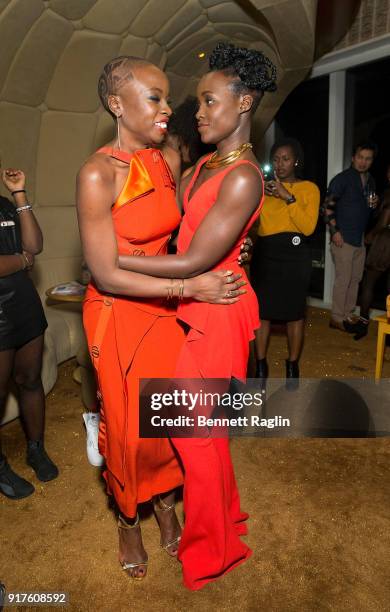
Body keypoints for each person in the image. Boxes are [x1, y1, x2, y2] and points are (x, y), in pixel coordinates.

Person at [77, 55, 247, 582]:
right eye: (155, 97)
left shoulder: (159, 162)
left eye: (168, 98)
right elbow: (105, 274)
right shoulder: (97, 173)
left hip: (164, 309)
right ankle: (129, 518)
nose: (169, 109)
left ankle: (166, 502)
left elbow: (179, 235)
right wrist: (187, 286)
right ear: (116, 104)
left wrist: (226, 253)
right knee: (128, 429)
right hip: (119, 312)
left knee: (165, 420)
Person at [116, 42, 277, 590]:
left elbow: (195, 258)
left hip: (216, 306)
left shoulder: (243, 176)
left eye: (210, 102)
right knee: (204, 432)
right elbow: (189, 231)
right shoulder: (211, 161)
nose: (200, 113)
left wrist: (110, 258)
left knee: (192, 435)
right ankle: (225, 519)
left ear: (246, 101)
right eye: (199, 103)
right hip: (197, 298)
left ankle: (215, 547)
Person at [0, 165, 58, 500]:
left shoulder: (5, 206)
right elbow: (26, 258)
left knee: (30, 379)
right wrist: (22, 260)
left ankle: (36, 449)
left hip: (24, 304)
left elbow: (34, 245)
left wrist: (19, 193)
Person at [250, 138, 320, 390]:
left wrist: (287, 197)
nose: (280, 164)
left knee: (294, 315)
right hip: (267, 255)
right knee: (262, 314)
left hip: (295, 256)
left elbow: (308, 227)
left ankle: (292, 366)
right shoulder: (262, 188)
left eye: (286, 159)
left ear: (296, 161)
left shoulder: (309, 189)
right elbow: (254, 223)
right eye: (276, 159)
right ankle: (260, 366)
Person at [323, 141, 379, 331]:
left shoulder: (370, 180)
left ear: (372, 161)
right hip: (343, 238)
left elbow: (367, 212)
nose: (363, 162)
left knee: (355, 279)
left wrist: (373, 206)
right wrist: (335, 231)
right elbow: (327, 208)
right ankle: (336, 318)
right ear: (353, 158)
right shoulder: (342, 179)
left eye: (368, 158)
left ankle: (347, 314)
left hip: (359, 239)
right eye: (360, 157)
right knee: (343, 279)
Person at [348, 163, 390, 339]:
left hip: (385, 240)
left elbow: (385, 218)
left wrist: (370, 235)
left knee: (369, 283)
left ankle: (363, 324)